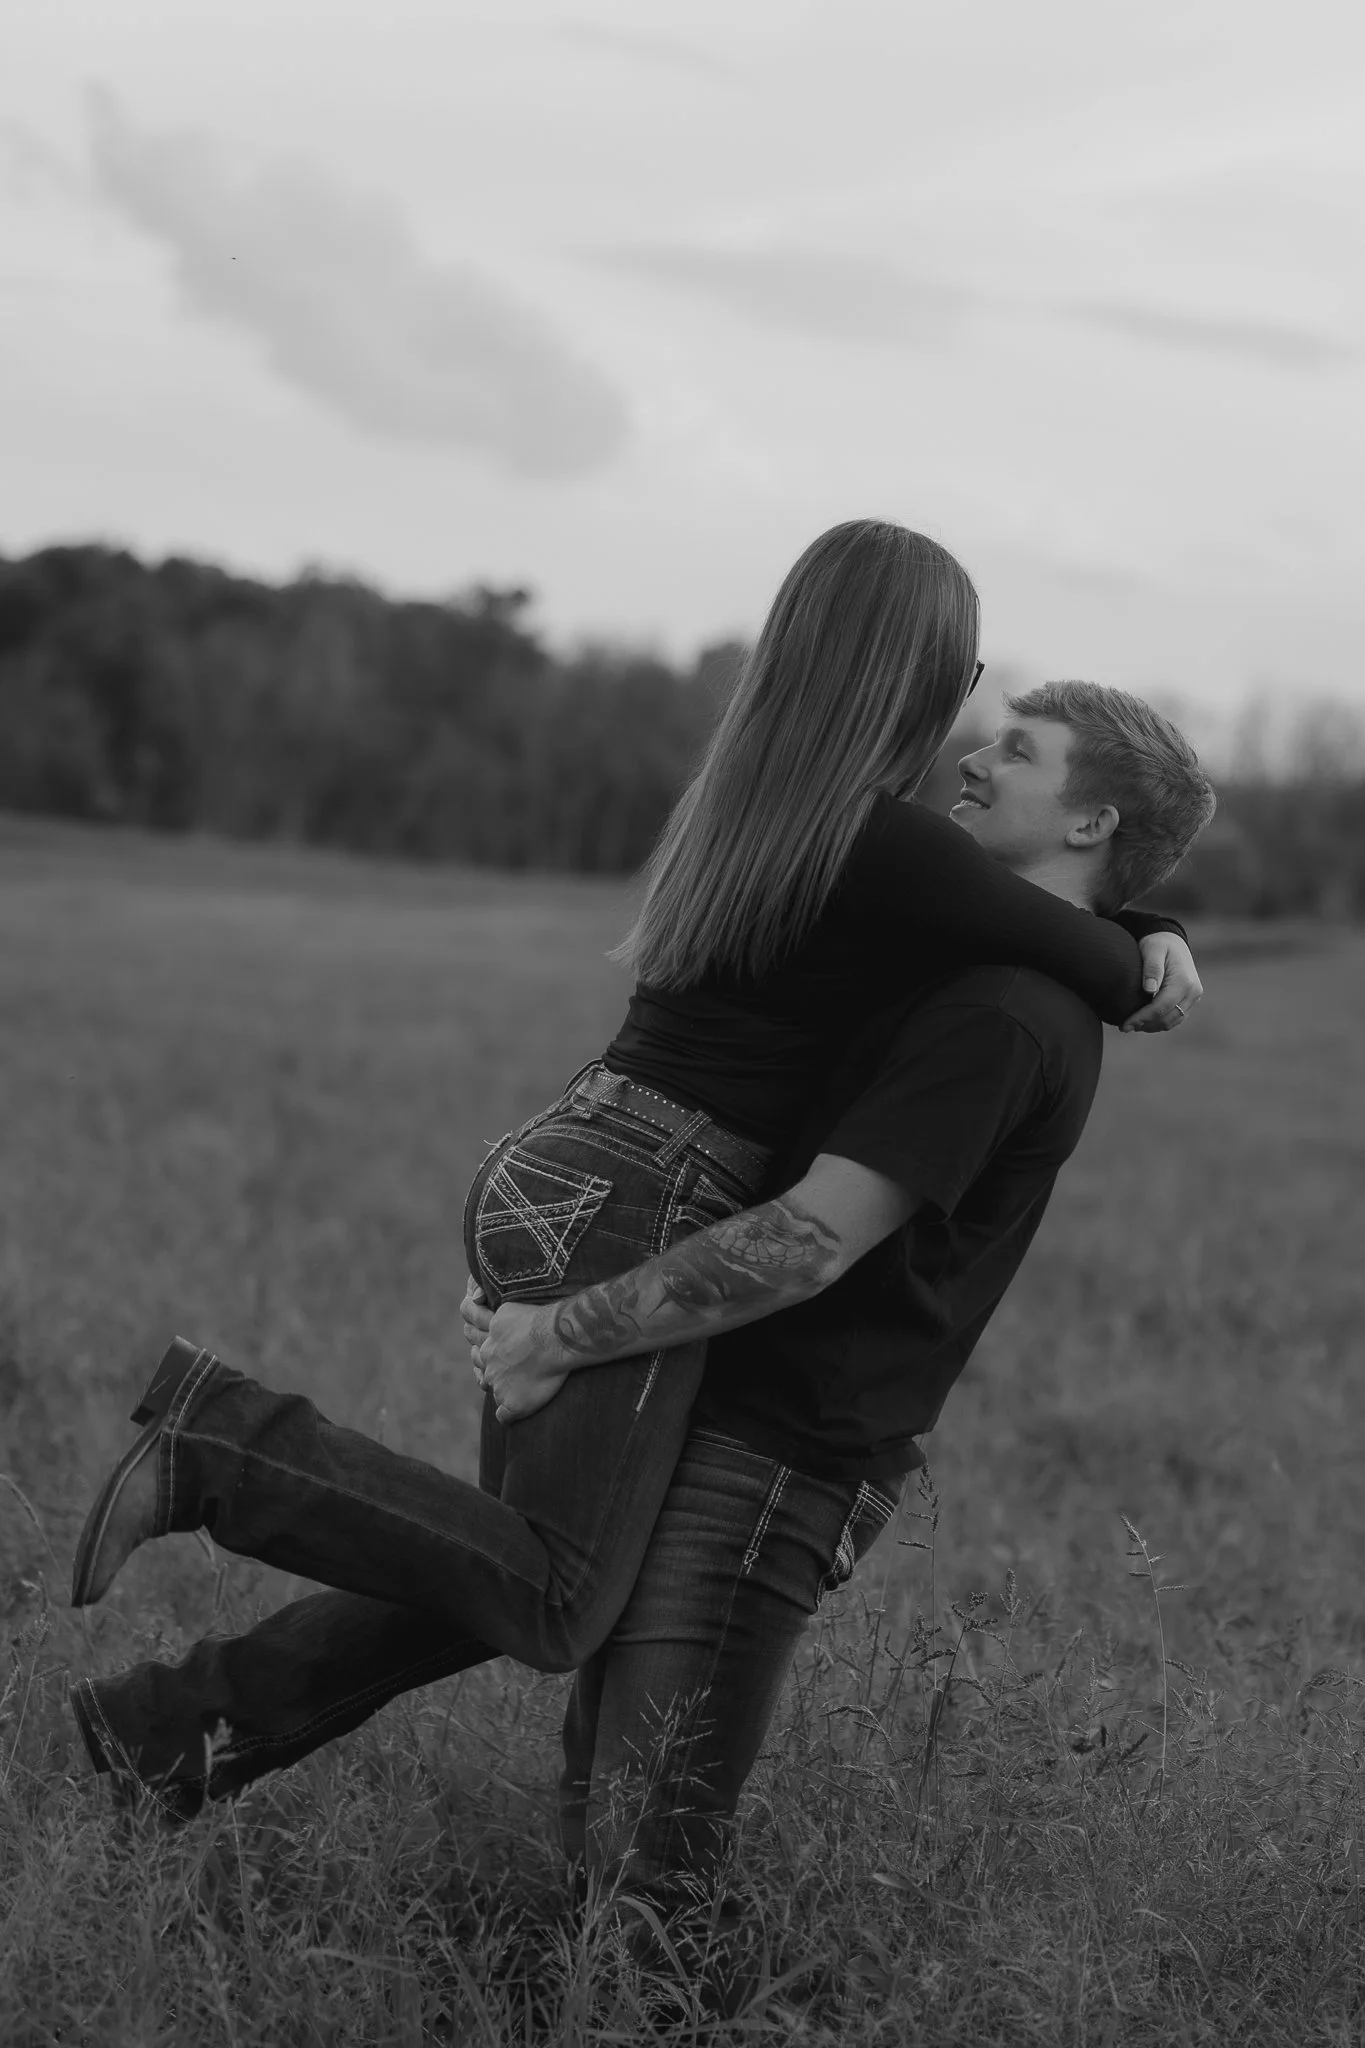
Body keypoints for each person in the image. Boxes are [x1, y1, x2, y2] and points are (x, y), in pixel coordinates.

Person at [67, 525, 1196, 1808]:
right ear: (919, 669)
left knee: (510, 1562)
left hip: (579, 1159)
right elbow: (1106, 967)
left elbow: (1044, 923)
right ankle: (226, 1445)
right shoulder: (896, 847)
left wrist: (1142, 908)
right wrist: (1153, 937)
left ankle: (169, 1728)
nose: (973, 717)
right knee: (557, 1588)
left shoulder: (768, 798)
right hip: (642, 1189)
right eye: (966, 672)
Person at [463, 680, 1218, 1909]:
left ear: (1090, 823)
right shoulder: (977, 963)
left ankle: (220, 1498)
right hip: (720, 1406)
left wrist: (564, 1331)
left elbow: (808, 1239)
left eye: (1017, 750)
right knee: (597, 1825)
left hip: (775, 1457)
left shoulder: (1007, 1014)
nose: (973, 758)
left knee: (643, 1866)